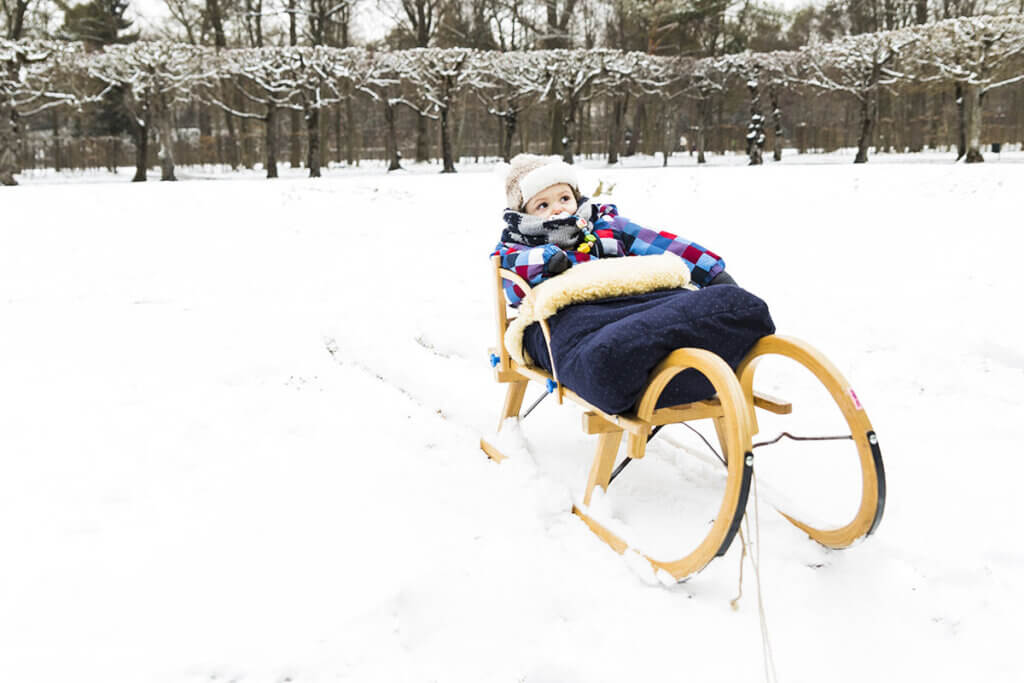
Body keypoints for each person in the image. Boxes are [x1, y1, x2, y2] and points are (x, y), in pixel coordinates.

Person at [492, 153, 736, 306]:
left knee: (681, 299)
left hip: (633, 303)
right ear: (524, 213)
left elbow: (661, 244)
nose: (557, 209)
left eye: (564, 198)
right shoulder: (520, 241)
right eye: (542, 205)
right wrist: (546, 260)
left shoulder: (604, 225)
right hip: (575, 315)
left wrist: (711, 271)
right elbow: (510, 279)